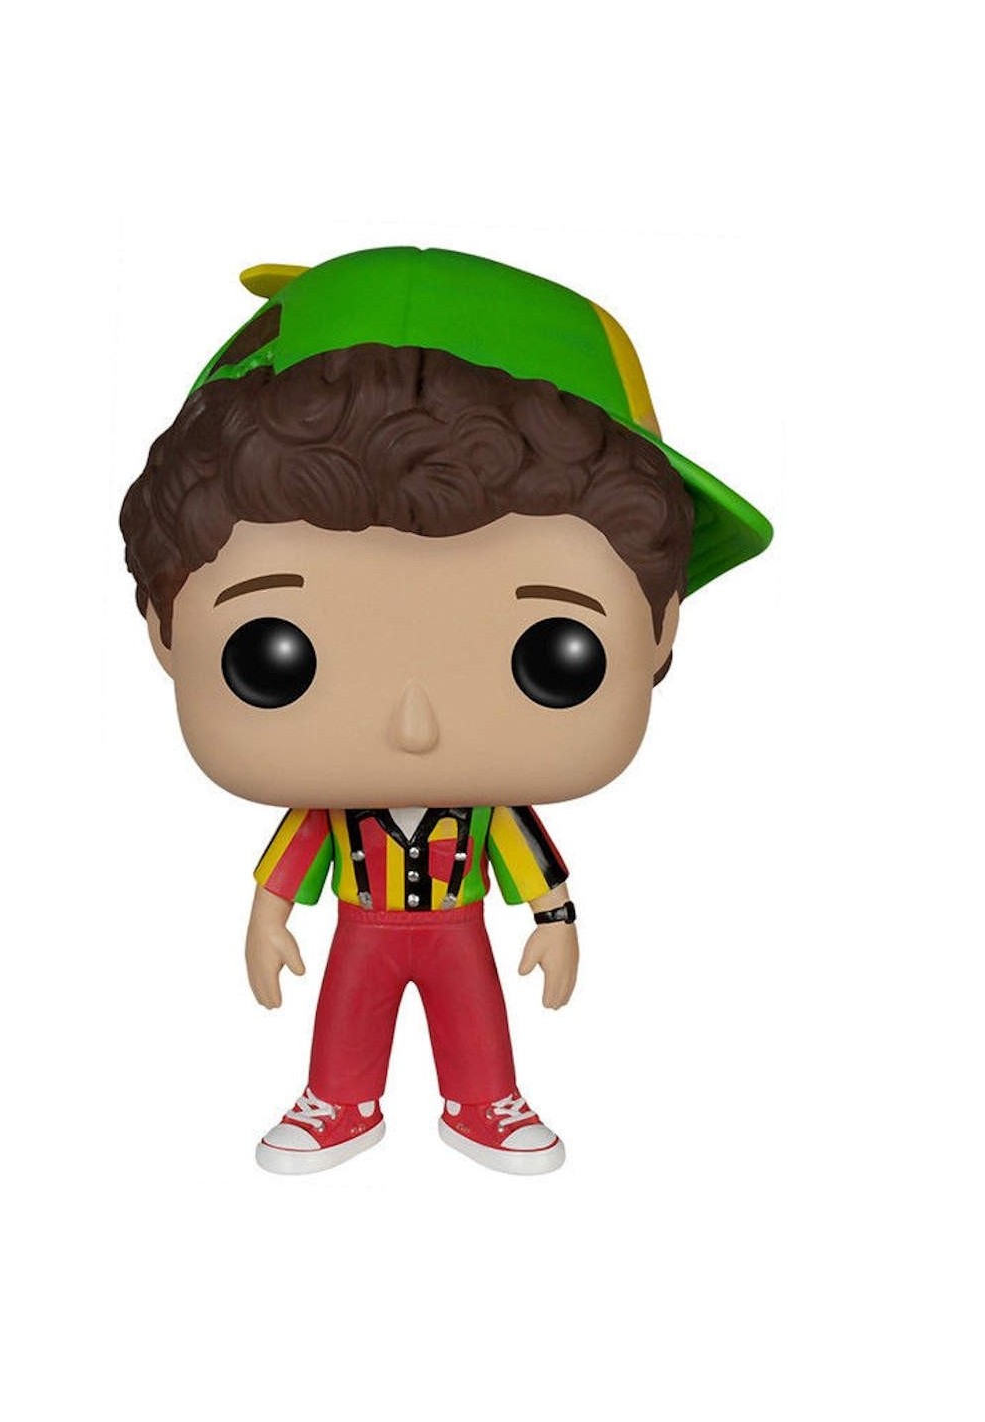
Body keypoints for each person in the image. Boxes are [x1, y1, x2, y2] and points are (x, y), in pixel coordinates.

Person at [119, 246, 772, 1175]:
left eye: (553, 657)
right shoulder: (330, 819)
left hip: (459, 925)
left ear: (661, 627)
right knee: (347, 1010)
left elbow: (530, 862)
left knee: (475, 1013)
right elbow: (290, 864)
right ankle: (339, 1100)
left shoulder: (487, 816)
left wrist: (554, 919)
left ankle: (484, 1100)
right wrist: (268, 917)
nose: (413, 728)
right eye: (274, 658)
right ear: (164, 627)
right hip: (363, 924)